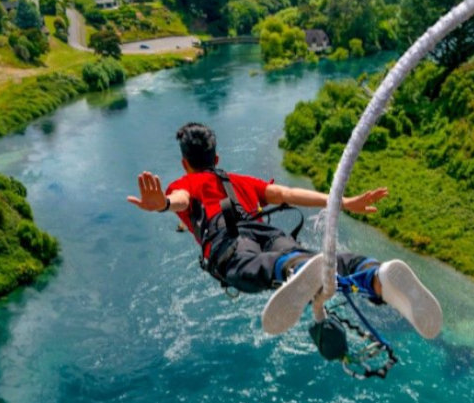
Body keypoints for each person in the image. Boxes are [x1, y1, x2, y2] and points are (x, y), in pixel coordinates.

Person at [127, 122, 442, 339]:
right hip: (268, 233)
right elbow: (288, 194)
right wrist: (343, 202)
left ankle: (298, 269)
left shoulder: (185, 183)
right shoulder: (238, 180)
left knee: (247, 270)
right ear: (217, 158)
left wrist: (162, 203)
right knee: (319, 260)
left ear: (185, 164)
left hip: (229, 241)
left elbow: (180, 201)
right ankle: (374, 274)